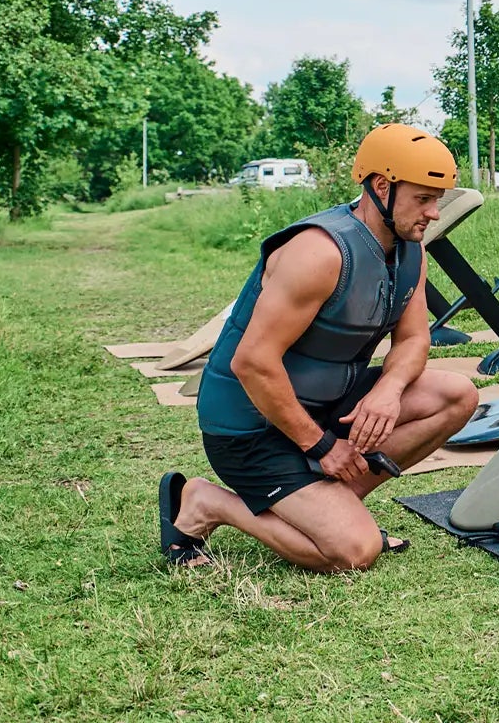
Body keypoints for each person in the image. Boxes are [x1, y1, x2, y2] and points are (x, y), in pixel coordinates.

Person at [159, 124, 480, 570]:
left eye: (437, 200)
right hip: (251, 427)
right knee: (353, 552)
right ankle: (209, 504)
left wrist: (389, 388)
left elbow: (413, 338)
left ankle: (330, 509)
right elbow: (252, 362)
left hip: (328, 403)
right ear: (383, 187)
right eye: (423, 199)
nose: (434, 214)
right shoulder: (319, 252)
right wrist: (323, 447)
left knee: (456, 395)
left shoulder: (411, 252)